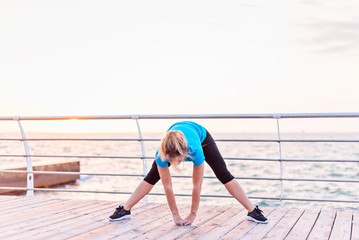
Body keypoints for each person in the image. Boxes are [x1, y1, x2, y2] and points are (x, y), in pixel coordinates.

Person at [109, 121, 268, 225]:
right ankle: (126, 209)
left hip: (201, 135)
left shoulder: (196, 150)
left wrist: (192, 214)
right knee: (151, 177)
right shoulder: (161, 154)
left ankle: (252, 211)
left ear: (184, 152)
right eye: (172, 160)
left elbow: (196, 186)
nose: (177, 163)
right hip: (173, 140)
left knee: (223, 173)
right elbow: (168, 187)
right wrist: (175, 215)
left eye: (178, 159)